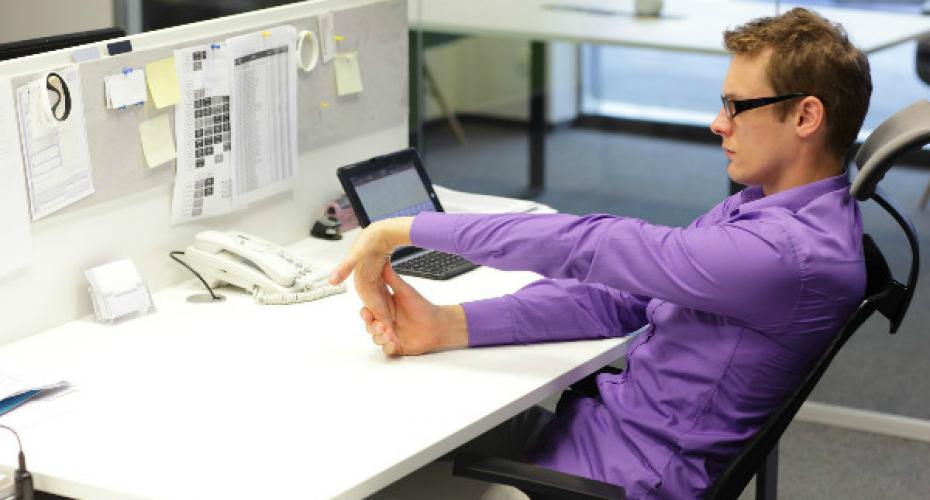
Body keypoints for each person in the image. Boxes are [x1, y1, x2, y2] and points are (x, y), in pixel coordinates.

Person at [330, 7, 872, 499]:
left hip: (607, 481)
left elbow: (592, 244)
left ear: (806, 117)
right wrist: (448, 325)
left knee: (369, 471)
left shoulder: (784, 253)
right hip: (592, 437)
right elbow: (623, 295)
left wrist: (402, 230)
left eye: (737, 106)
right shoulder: (774, 207)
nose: (719, 123)